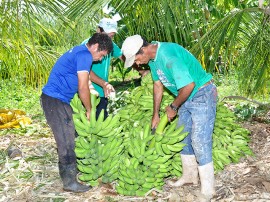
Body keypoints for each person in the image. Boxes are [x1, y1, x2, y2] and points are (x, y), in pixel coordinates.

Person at [121, 35, 217, 201]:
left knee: (199, 140)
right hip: (185, 96)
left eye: (136, 59)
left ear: (143, 49)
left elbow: (189, 85)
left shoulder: (167, 56)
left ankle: (208, 189)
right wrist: (155, 114)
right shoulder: (152, 59)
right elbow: (158, 85)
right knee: (183, 136)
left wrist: (173, 107)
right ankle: (189, 177)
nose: (137, 64)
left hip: (201, 94)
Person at [40, 33, 113, 193]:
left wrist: (103, 82)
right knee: (66, 140)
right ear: (95, 47)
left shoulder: (81, 53)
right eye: (102, 55)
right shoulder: (84, 55)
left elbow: (87, 73)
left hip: (57, 100)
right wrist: (89, 109)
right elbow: (82, 87)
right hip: (55, 100)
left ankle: (71, 172)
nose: (101, 59)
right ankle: (69, 182)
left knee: (70, 134)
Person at [81, 18, 149, 118]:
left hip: (103, 91)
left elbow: (124, 57)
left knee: (101, 122)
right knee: (86, 122)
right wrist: (104, 84)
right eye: (107, 35)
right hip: (88, 92)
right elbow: (86, 71)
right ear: (98, 30)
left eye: (111, 36)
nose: (109, 39)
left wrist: (141, 70)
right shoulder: (88, 46)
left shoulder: (111, 45)